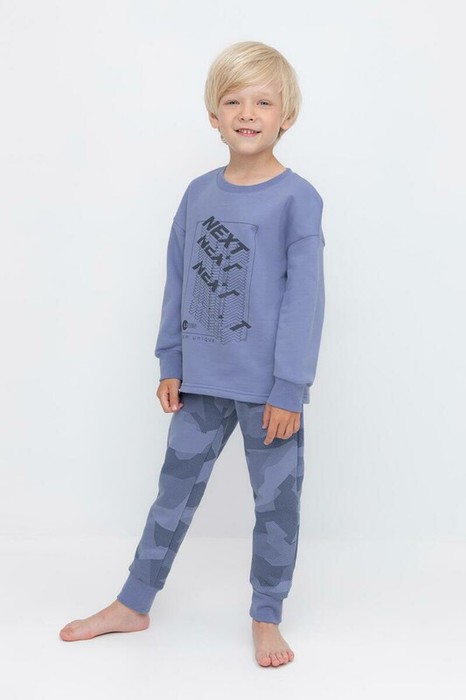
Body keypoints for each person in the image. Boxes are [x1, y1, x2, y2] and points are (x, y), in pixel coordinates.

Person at [59, 40, 326, 668]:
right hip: (201, 382)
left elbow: (306, 300)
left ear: (286, 116)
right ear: (213, 116)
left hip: (268, 391)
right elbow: (178, 279)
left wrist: (289, 388)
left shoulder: (298, 199)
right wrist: (170, 361)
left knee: (276, 507)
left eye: (263, 102)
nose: (247, 113)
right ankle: (134, 602)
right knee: (172, 494)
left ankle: (266, 615)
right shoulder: (198, 194)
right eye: (232, 101)